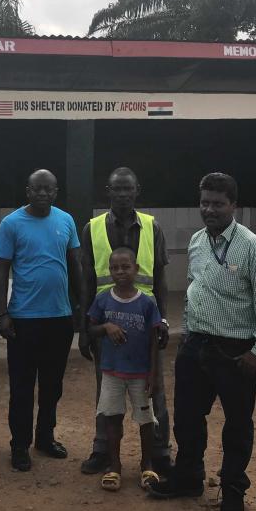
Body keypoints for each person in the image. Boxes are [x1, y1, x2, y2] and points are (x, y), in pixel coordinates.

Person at [147, 172, 256, 511]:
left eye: (218, 204)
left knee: (237, 424)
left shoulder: (254, 248)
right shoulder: (196, 241)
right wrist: (188, 332)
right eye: (204, 202)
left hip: (235, 352)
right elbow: (194, 288)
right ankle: (188, 478)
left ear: (233, 205)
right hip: (195, 346)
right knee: (188, 418)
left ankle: (233, 490)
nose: (209, 210)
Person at [78, 167, 173, 477]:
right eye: (116, 189)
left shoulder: (151, 227)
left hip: (145, 324)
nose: (122, 195)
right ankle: (102, 450)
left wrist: (164, 321)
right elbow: (87, 280)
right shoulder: (90, 229)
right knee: (106, 390)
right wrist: (84, 328)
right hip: (107, 326)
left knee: (153, 388)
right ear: (108, 190)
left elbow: (159, 276)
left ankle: (159, 453)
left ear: (137, 191)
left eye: (127, 189)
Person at [0, 169, 83, 472]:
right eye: (37, 189)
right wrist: (2, 313)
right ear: (27, 191)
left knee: (52, 385)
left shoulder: (66, 220)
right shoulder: (11, 224)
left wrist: (81, 305)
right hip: (23, 319)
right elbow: (0, 269)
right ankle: (19, 446)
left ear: (56, 192)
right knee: (21, 387)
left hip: (59, 317)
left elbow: (76, 265)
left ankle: (45, 437)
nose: (43, 194)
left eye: (49, 189)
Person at [87, 247, 161, 492]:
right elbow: (91, 328)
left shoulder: (147, 302)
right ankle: (114, 465)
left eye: (126, 267)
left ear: (136, 269)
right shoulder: (103, 299)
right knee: (112, 417)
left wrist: (152, 373)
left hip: (140, 373)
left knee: (146, 420)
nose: (120, 272)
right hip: (112, 371)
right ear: (109, 271)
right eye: (115, 268)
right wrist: (106, 326)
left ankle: (147, 463)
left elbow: (154, 339)